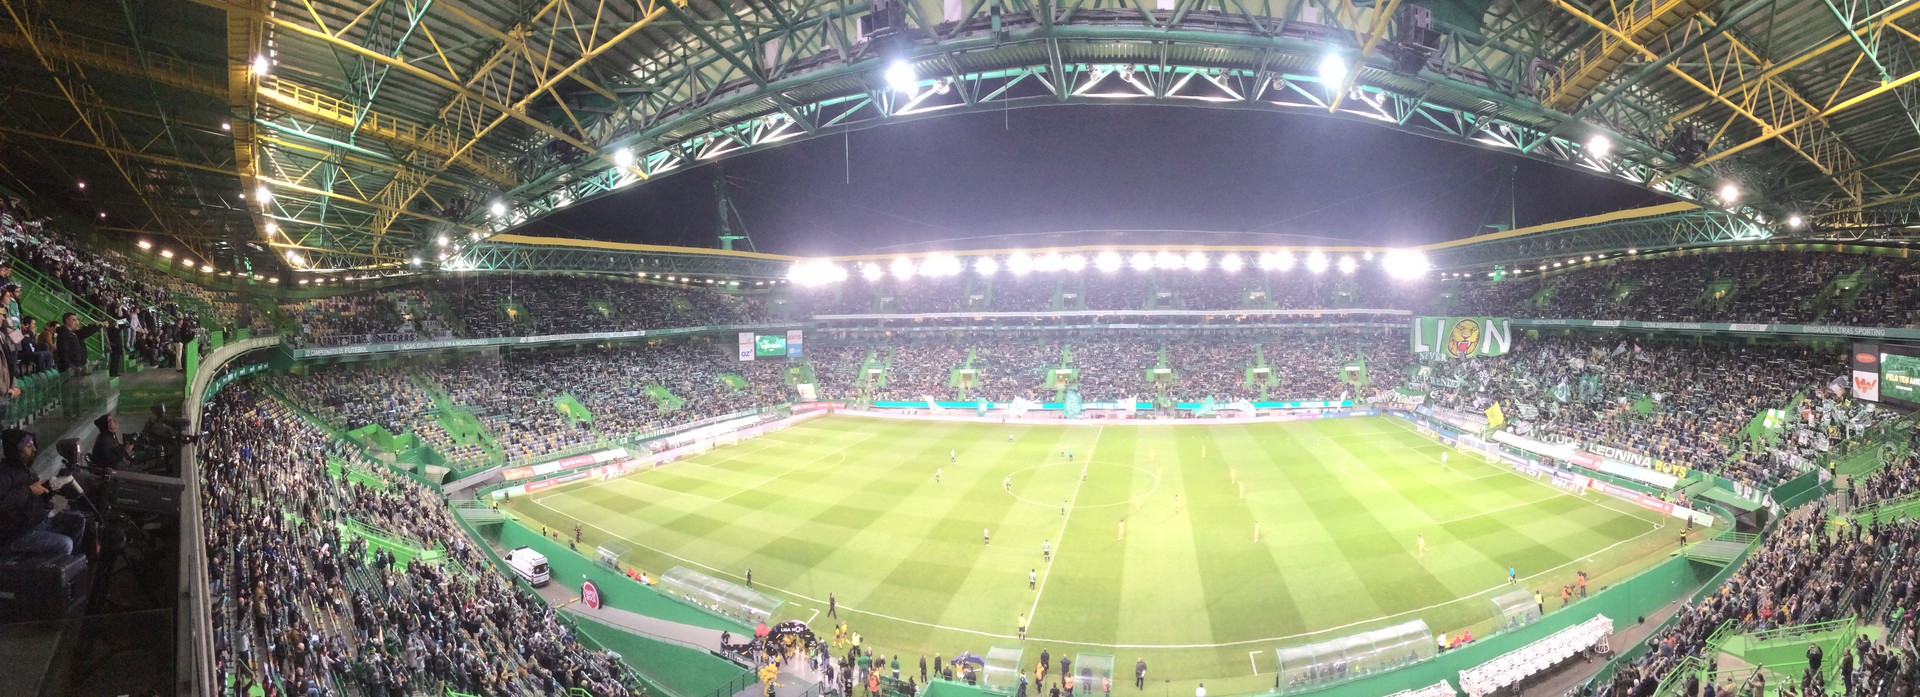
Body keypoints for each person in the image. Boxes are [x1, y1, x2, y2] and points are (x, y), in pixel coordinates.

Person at [1, 430, 85, 555]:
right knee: (65, 544)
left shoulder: (25, 468)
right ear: (16, 450)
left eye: (33, 444)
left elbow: (36, 497)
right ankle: (60, 569)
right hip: (18, 533)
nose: (34, 449)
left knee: (78, 520)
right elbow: (3, 501)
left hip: (38, 521)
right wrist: (30, 490)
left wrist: (50, 488)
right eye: (28, 446)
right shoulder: (4, 473)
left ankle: (77, 564)